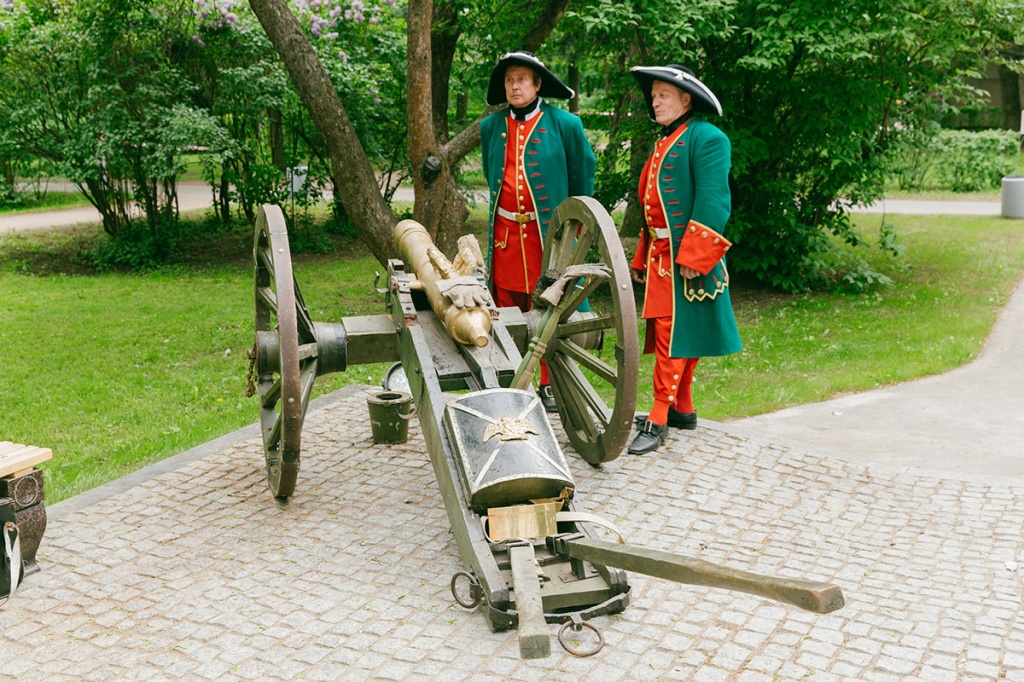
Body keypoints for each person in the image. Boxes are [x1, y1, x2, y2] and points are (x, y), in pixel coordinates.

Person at [626, 64, 742, 455]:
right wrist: (642, 257)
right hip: (662, 259)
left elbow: (714, 199)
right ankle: (683, 407)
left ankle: (659, 417)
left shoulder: (707, 138)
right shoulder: (665, 141)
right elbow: (650, 209)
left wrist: (698, 254)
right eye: (654, 95)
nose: (655, 101)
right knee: (677, 332)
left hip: (687, 259)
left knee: (673, 335)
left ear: (685, 99)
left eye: (663, 95)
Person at [480, 51, 596, 412]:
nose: (515, 86)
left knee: (548, 302)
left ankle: (547, 381)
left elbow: (582, 179)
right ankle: (512, 378)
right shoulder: (491, 127)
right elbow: (490, 175)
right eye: (509, 80)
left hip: (548, 236)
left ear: (537, 84)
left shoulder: (565, 125)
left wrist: (574, 228)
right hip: (504, 234)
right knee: (507, 304)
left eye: (522, 79)